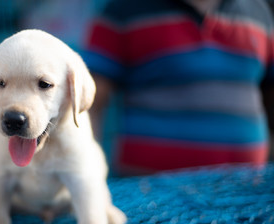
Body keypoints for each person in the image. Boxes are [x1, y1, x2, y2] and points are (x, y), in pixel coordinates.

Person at [82, 0, 274, 175]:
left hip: (246, 190)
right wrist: (87, 174)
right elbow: (90, 101)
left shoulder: (259, 10)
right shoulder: (123, 11)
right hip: (148, 195)